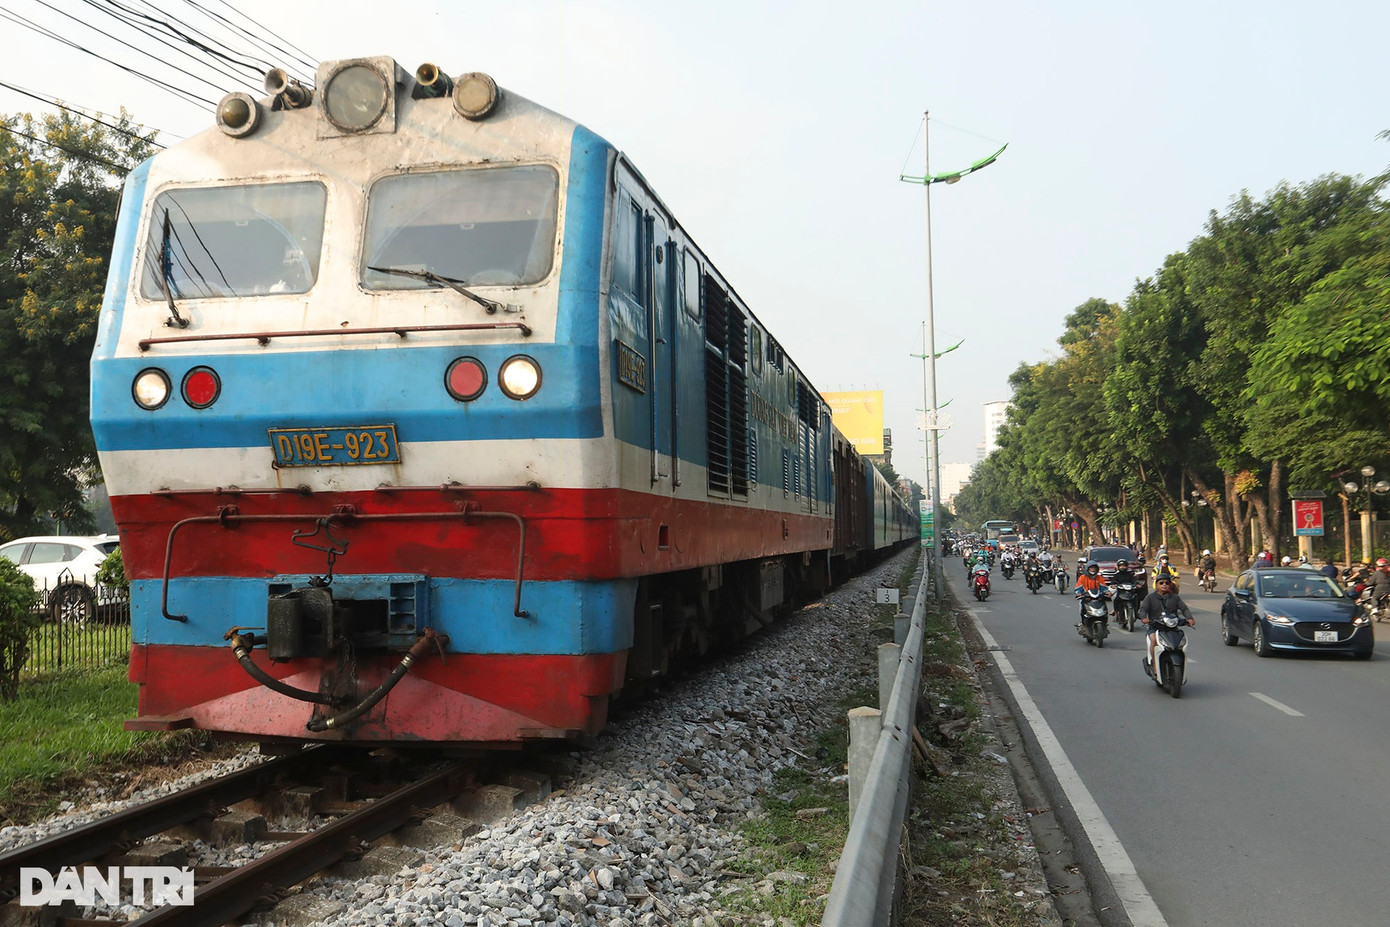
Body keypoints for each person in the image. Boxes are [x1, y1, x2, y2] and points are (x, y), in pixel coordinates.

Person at [1139, 575, 1195, 674]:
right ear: (1156, 585)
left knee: (1180, 642)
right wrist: (1144, 618)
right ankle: (1154, 664)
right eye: (1161, 583)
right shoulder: (1150, 598)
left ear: (1170, 585)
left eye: (1167, 583)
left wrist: (1189, 618)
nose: (1164, 585)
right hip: (1155, 627)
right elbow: (1143, 610)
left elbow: (1184, 608)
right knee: (1153, 639)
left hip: (1172, 628)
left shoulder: (1175, 598)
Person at [1073, 561, 1111, 630]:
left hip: (1098, 598)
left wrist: (1107, 592)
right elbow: (1078, 588)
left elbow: (1104, 587)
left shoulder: (1099, 578)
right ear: (1087, 569)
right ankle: (1084, 625)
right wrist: (1079, 593)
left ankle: (1104, 623)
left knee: (1105, 609)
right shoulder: (1082, 578)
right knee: (1081, 608)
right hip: (1086, 599)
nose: (1093, 570)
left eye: (1094, 568)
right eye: (1091, 568)